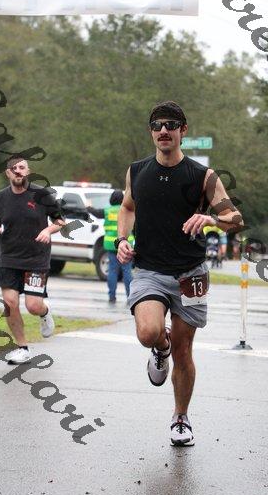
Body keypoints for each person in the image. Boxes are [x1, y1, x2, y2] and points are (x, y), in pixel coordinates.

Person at [116, 100, 244, 446]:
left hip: (190, 274)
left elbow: (236, 220)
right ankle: (161, 347)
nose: (164, 131)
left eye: (171, 125)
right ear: (151, 132)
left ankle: (180, 418)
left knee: (184, 351)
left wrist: (211, 218)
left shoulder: (203, 176)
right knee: (148, 332)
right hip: (149, 269)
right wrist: (122, 240)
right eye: (157, 125)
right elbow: (127, 207)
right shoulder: (137, 171)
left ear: (183, 131)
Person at [0, 156, 65, 364]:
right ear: (8, 173)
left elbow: (60, 221)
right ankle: (22, 348)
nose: (18, 171)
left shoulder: (42, 194)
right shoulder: (0, 198)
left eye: (22, 167)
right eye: (14, 168)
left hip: (36, 259)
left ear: (28, 171)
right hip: (9, 258)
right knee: (9, 303)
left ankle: (44, 312)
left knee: (33, 306)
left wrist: (48, 230)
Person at [88, 190, 134, 303]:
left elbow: (95, 212)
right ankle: (130, 297)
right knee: (127, 271)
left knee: (112, 270)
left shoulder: (107, 211)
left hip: (111, 244)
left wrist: (88, 207)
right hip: (126, 244)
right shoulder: (128, 210)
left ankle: (112, 296)